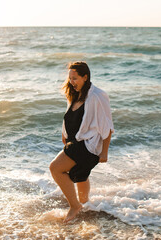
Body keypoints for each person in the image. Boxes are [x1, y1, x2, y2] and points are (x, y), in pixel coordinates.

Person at [49, 61, 114, 223]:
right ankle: (86, 207)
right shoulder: (74, 94)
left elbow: (108, 126)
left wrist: (104, 152)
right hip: (74, 142)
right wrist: (64, 135)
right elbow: (70, 118)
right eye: (70, 78)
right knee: (80, 176)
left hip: (87, 146)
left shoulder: (97, 96)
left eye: (75, 78)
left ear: (85, 77)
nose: (72, 82)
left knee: (55, 168)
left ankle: (74, 206)